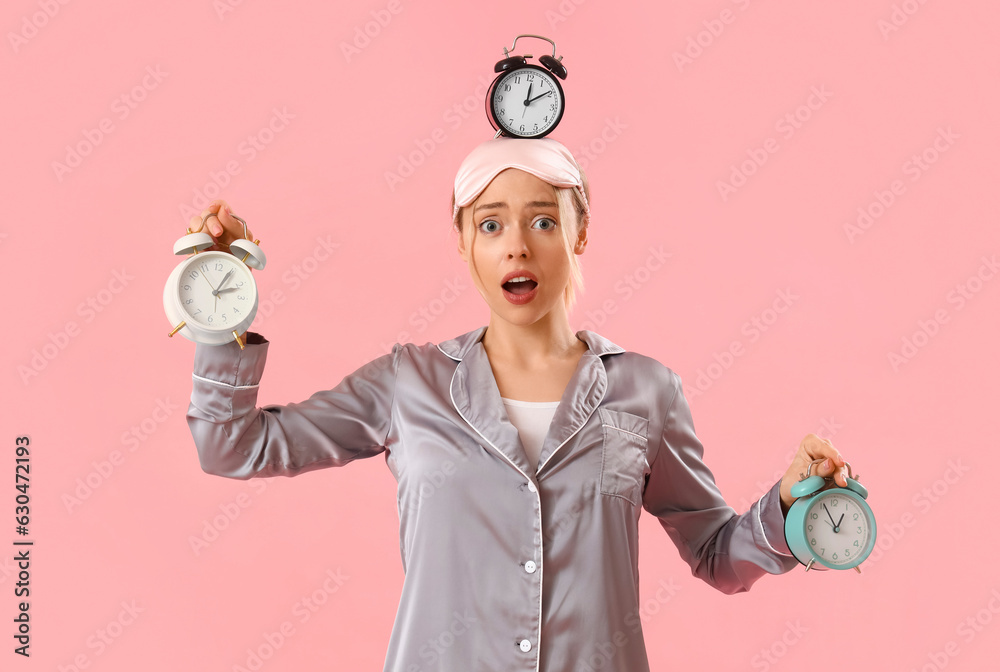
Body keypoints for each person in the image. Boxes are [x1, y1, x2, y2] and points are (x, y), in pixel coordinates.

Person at [185, 137, 851, 672]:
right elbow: (235, 447)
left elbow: (717, 557)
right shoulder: (408, 383)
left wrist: (788, 507)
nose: (517, 245)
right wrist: (219, 313)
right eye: (491, 223)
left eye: (541, 220)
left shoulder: (646, 391)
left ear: (579, 232)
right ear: (464, 242)